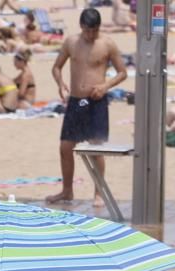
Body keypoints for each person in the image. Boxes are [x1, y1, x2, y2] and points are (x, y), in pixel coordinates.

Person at [46, 8, 128, 207]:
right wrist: (60, 83)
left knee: (96, 149)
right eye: (88, 31)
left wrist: (105, 86)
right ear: (81, 27)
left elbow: (122, 72)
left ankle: (98, 193)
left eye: (95, 31)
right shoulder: (71, 42)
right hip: (76, 101)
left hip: (96, 101)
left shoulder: (107, 43)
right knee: (65, 147)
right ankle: (67, 190)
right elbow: (57, 66)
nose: (91, 35)